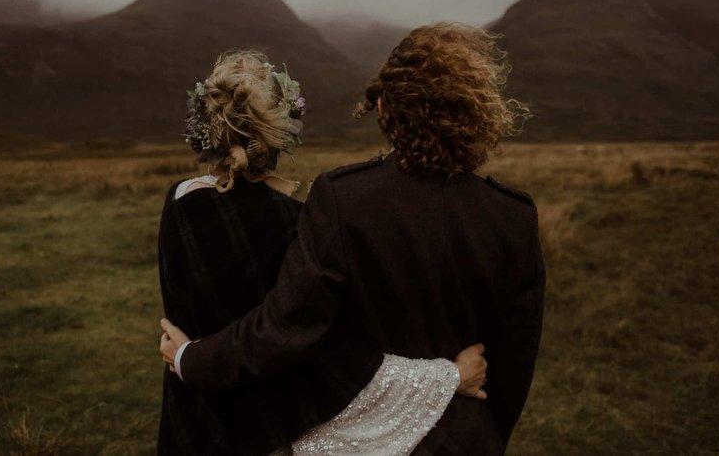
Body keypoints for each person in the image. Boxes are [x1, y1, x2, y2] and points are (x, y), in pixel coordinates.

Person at [162, 24, 545, 454]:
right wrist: (483, 434)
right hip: (471, 438)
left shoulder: (344, 198)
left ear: (383, 107)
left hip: (365, 439)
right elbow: (515, 364)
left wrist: (191, 359)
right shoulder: (516, 217)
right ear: (477, 113)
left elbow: (289, 327)